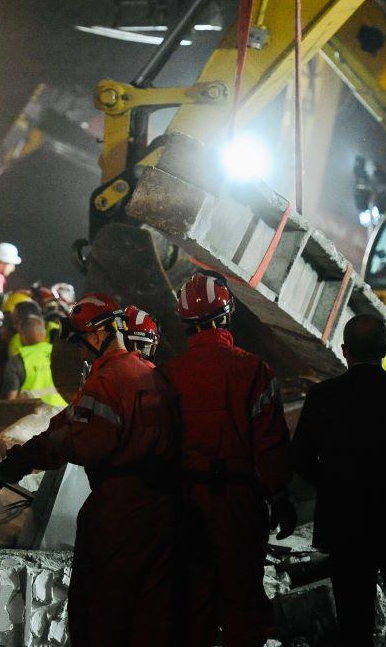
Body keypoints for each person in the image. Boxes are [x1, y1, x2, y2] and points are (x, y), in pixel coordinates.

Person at [0, 292, 181, 646]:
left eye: (81, 343)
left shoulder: (106, 380)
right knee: (147, 615)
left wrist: (18, 462)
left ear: (97, 335)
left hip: (116, 511)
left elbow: (80, 442)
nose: (81, 353)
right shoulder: (154, 376)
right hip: (161, 512)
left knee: (97, 611)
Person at [160, 271, 296, 647]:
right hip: (238, 500)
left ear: (184, 320)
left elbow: (158, 444)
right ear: (227, 313)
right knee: (244, 601)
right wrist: (279, 497)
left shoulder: (167, 376)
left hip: (184, 500)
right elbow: (270, 443)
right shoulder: (253, 370)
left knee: (194, 600)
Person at [293, 314, 386, 646]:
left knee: (354, 623)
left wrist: (333, 486)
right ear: (384, 350)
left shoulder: (323, 396)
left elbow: (300, 458)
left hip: (346, 524)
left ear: (344, 350)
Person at [1, 313, 67, 407]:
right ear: (44, 333)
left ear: (22, 335)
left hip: (33, 414)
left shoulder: (17, 360)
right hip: (63, 410)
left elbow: (11, 400)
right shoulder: (60, 353)